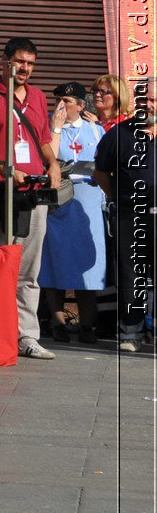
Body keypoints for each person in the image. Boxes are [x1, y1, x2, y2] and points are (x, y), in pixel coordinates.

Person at [0, 37, 61, 361]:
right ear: (5, 61)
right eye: (20, 62)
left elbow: (44, 139)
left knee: (29, 269)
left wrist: (53, 163)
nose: (25, 69)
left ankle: (27, 337)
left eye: (31, 64)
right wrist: (4, 168)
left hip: (32, 195)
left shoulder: (36, 96)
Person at [40, 81, 106, 343]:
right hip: (59, 198)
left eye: (67, 102)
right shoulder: (47, 128)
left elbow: (104, 165)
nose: (61, 106)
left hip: (87, 199)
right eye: (58, 101)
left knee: (86, 263)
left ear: (80, 105)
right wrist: (56, 127)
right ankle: (57, 322)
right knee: (54, 259)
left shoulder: (95, 129)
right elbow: (50, 159)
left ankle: (87, 323)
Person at [94, 86, 155, 352]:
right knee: (132, 273)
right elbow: (101, 173)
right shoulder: (118, 134)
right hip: (132, 215)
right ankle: (131, 332)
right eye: (144, 100)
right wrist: (120, 198)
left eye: (154, 100)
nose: (149, 104)